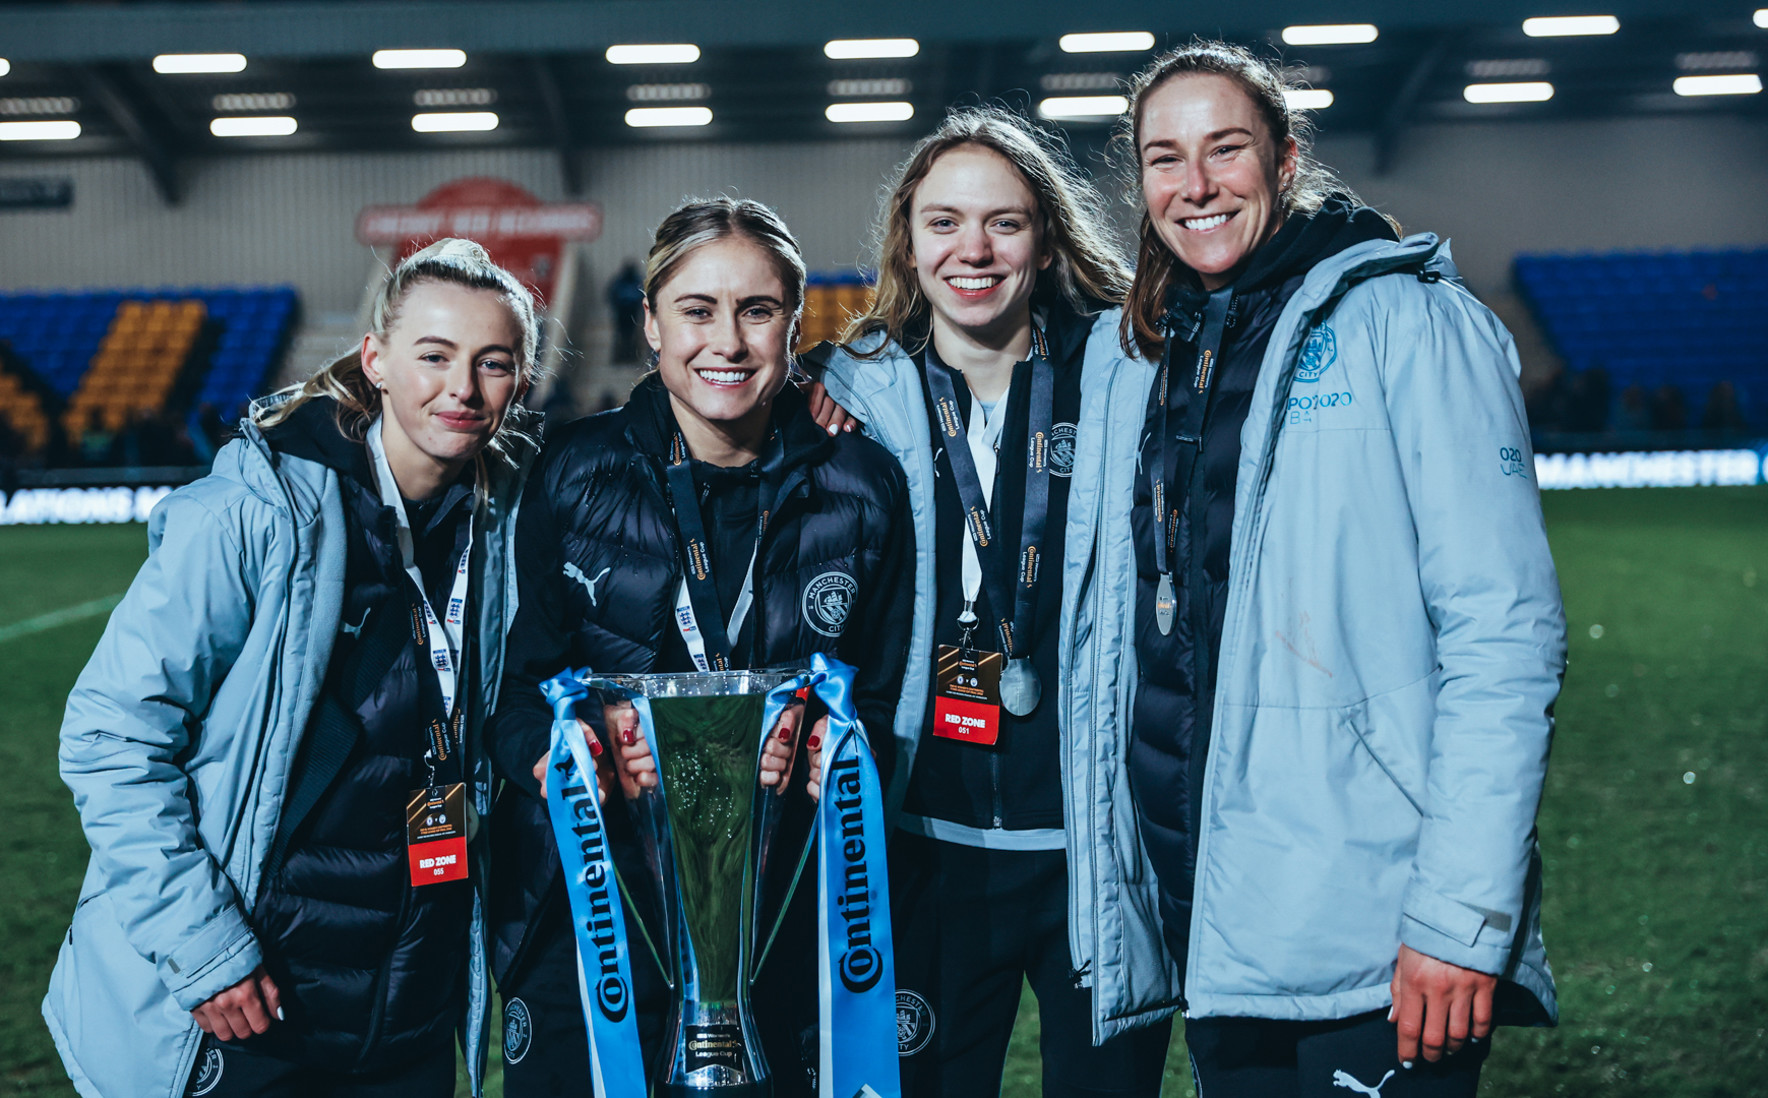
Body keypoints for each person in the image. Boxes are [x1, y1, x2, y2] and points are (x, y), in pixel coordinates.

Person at [1109, 42, 1564, 1095]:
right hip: (1220, 929)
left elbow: (1504, 631)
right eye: (1163, 158)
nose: (1195, 184)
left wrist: (1457, 917)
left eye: (1225, 149)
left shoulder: (1408, 322)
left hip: (1378, 935)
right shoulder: (1162, 345)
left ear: (1284, 159)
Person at [42, 238, 543, 1098]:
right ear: (376, 361)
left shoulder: (507, 530)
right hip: (249, 1006)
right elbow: (110, 735)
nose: (461, 388)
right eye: (434, 355)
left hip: (408, 1012)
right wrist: (205, 951)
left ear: (519, 383)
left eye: (491, 363)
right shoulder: (251, 514)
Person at [487, 197, 915, 1096]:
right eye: (697, 309)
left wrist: (828, 748)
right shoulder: (572, 470)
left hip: (793, 935)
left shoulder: (864, 486)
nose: (727, 340)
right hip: (605, 929)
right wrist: (581, 747)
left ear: (795, 327)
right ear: (649, 323)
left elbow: (881, 703)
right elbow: (518, 698)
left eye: (757, 311)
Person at [803, 106, 1175, 1097]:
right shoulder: (845, 400)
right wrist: (816, 386)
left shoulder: (1127, 373)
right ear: (906, 245)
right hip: (923, 847)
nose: (973, 248)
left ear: (1044, 238)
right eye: (943, 223)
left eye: (1003, 223)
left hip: (1093, 851)